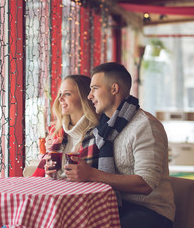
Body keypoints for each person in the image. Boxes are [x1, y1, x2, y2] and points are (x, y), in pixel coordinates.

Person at [64, 62, 175, 228]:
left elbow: (145, 184)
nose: (89, 96)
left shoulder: (145, 126)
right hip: (112, 205)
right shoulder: (102, 128)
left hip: (150, 212)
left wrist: (92, 174)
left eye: (94, 88)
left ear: (114, 89)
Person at [32, 75, 99, 178]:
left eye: (67, 94)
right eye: (60, 94)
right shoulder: (56, 132)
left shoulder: (97, 134)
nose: (60, 98)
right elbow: (49, 174)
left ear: (84, 98)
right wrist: (49, 172)